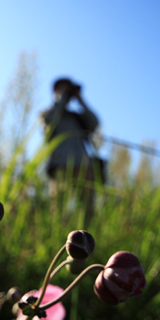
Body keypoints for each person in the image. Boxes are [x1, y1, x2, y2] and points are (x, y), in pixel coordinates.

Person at [42, 78, 100, 223]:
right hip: (59, 165)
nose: (66, 92)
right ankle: (57, 236)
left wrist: (80, 99)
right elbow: (48, 119)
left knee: (87, 207)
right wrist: (60, 99)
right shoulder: (50, 113)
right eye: (62, 89)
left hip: (83, 166)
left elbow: (94, 123)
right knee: (59, 207)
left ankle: (85, 237)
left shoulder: (77, 117)